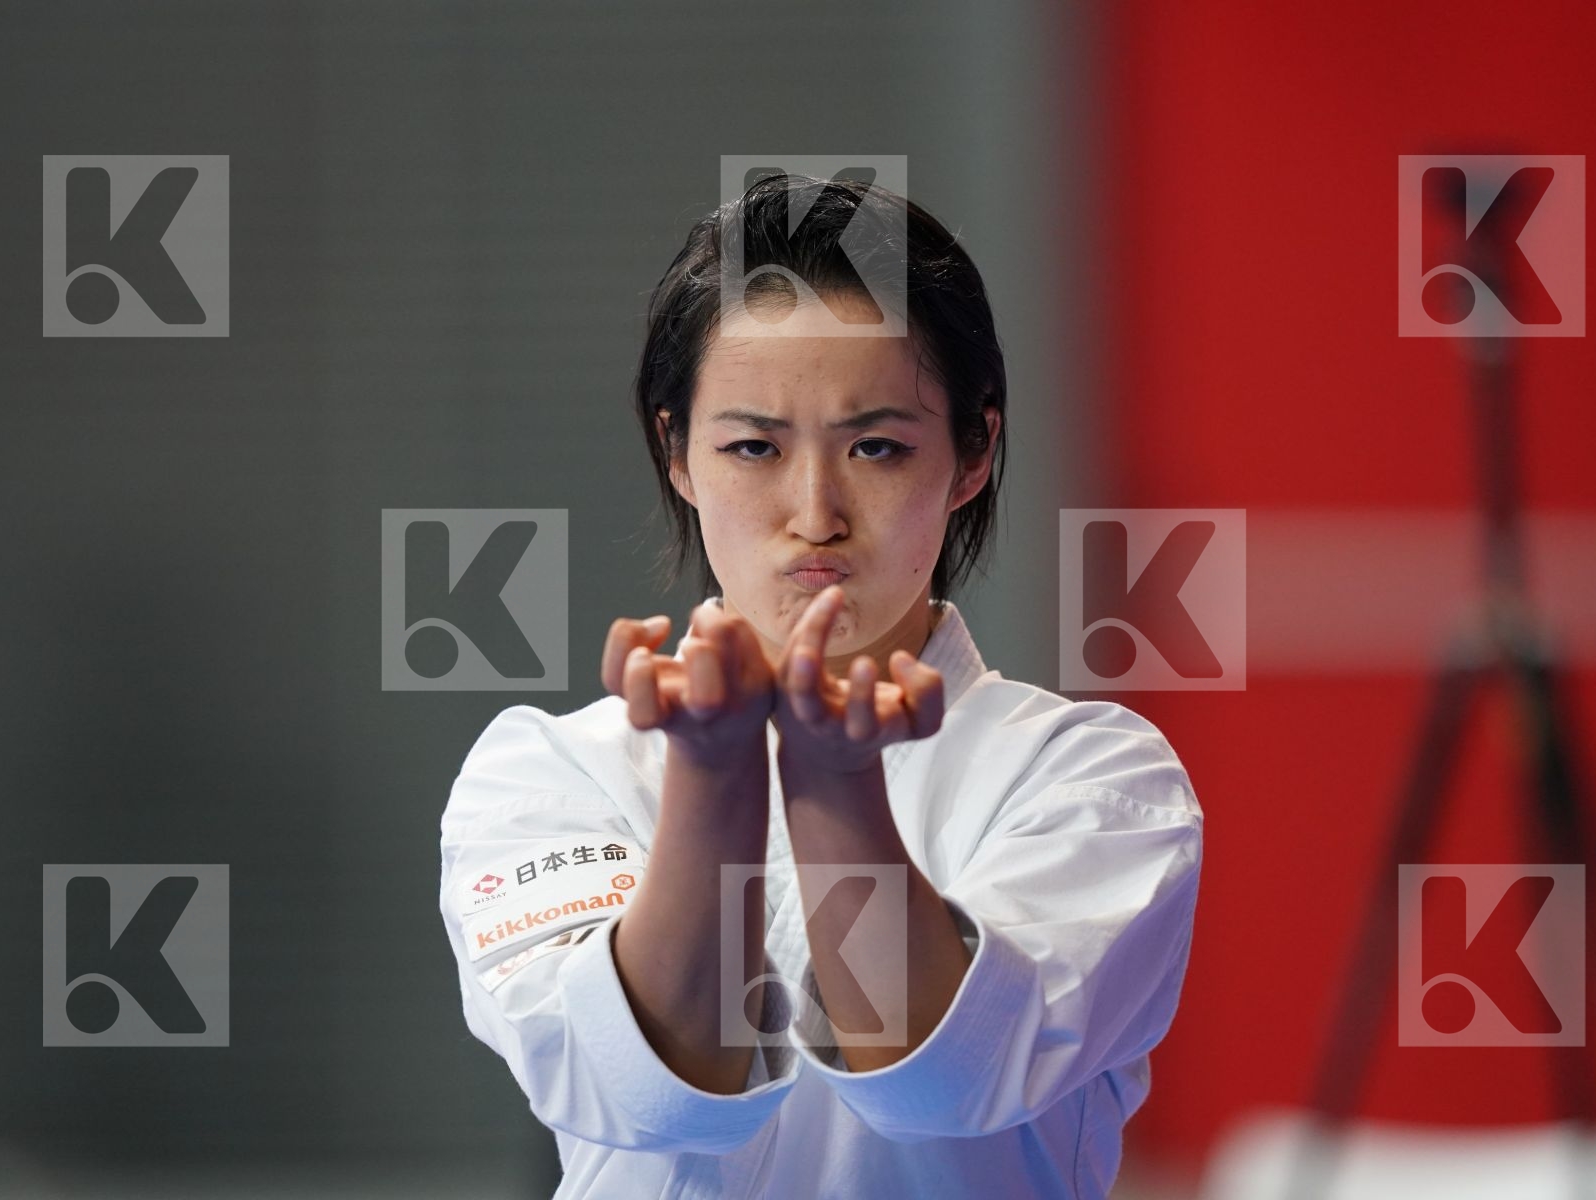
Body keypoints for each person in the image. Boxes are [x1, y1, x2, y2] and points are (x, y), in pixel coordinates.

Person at [437, 173, 1204, 1199]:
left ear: (973, 452)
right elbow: (646, 1093)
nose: (815, 513)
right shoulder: (545, 772)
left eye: (877, 447)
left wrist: (834, 781)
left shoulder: (1093, 779)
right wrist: (714, 777)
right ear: (676, 452)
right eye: (753, 447)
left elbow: (947, 1083)